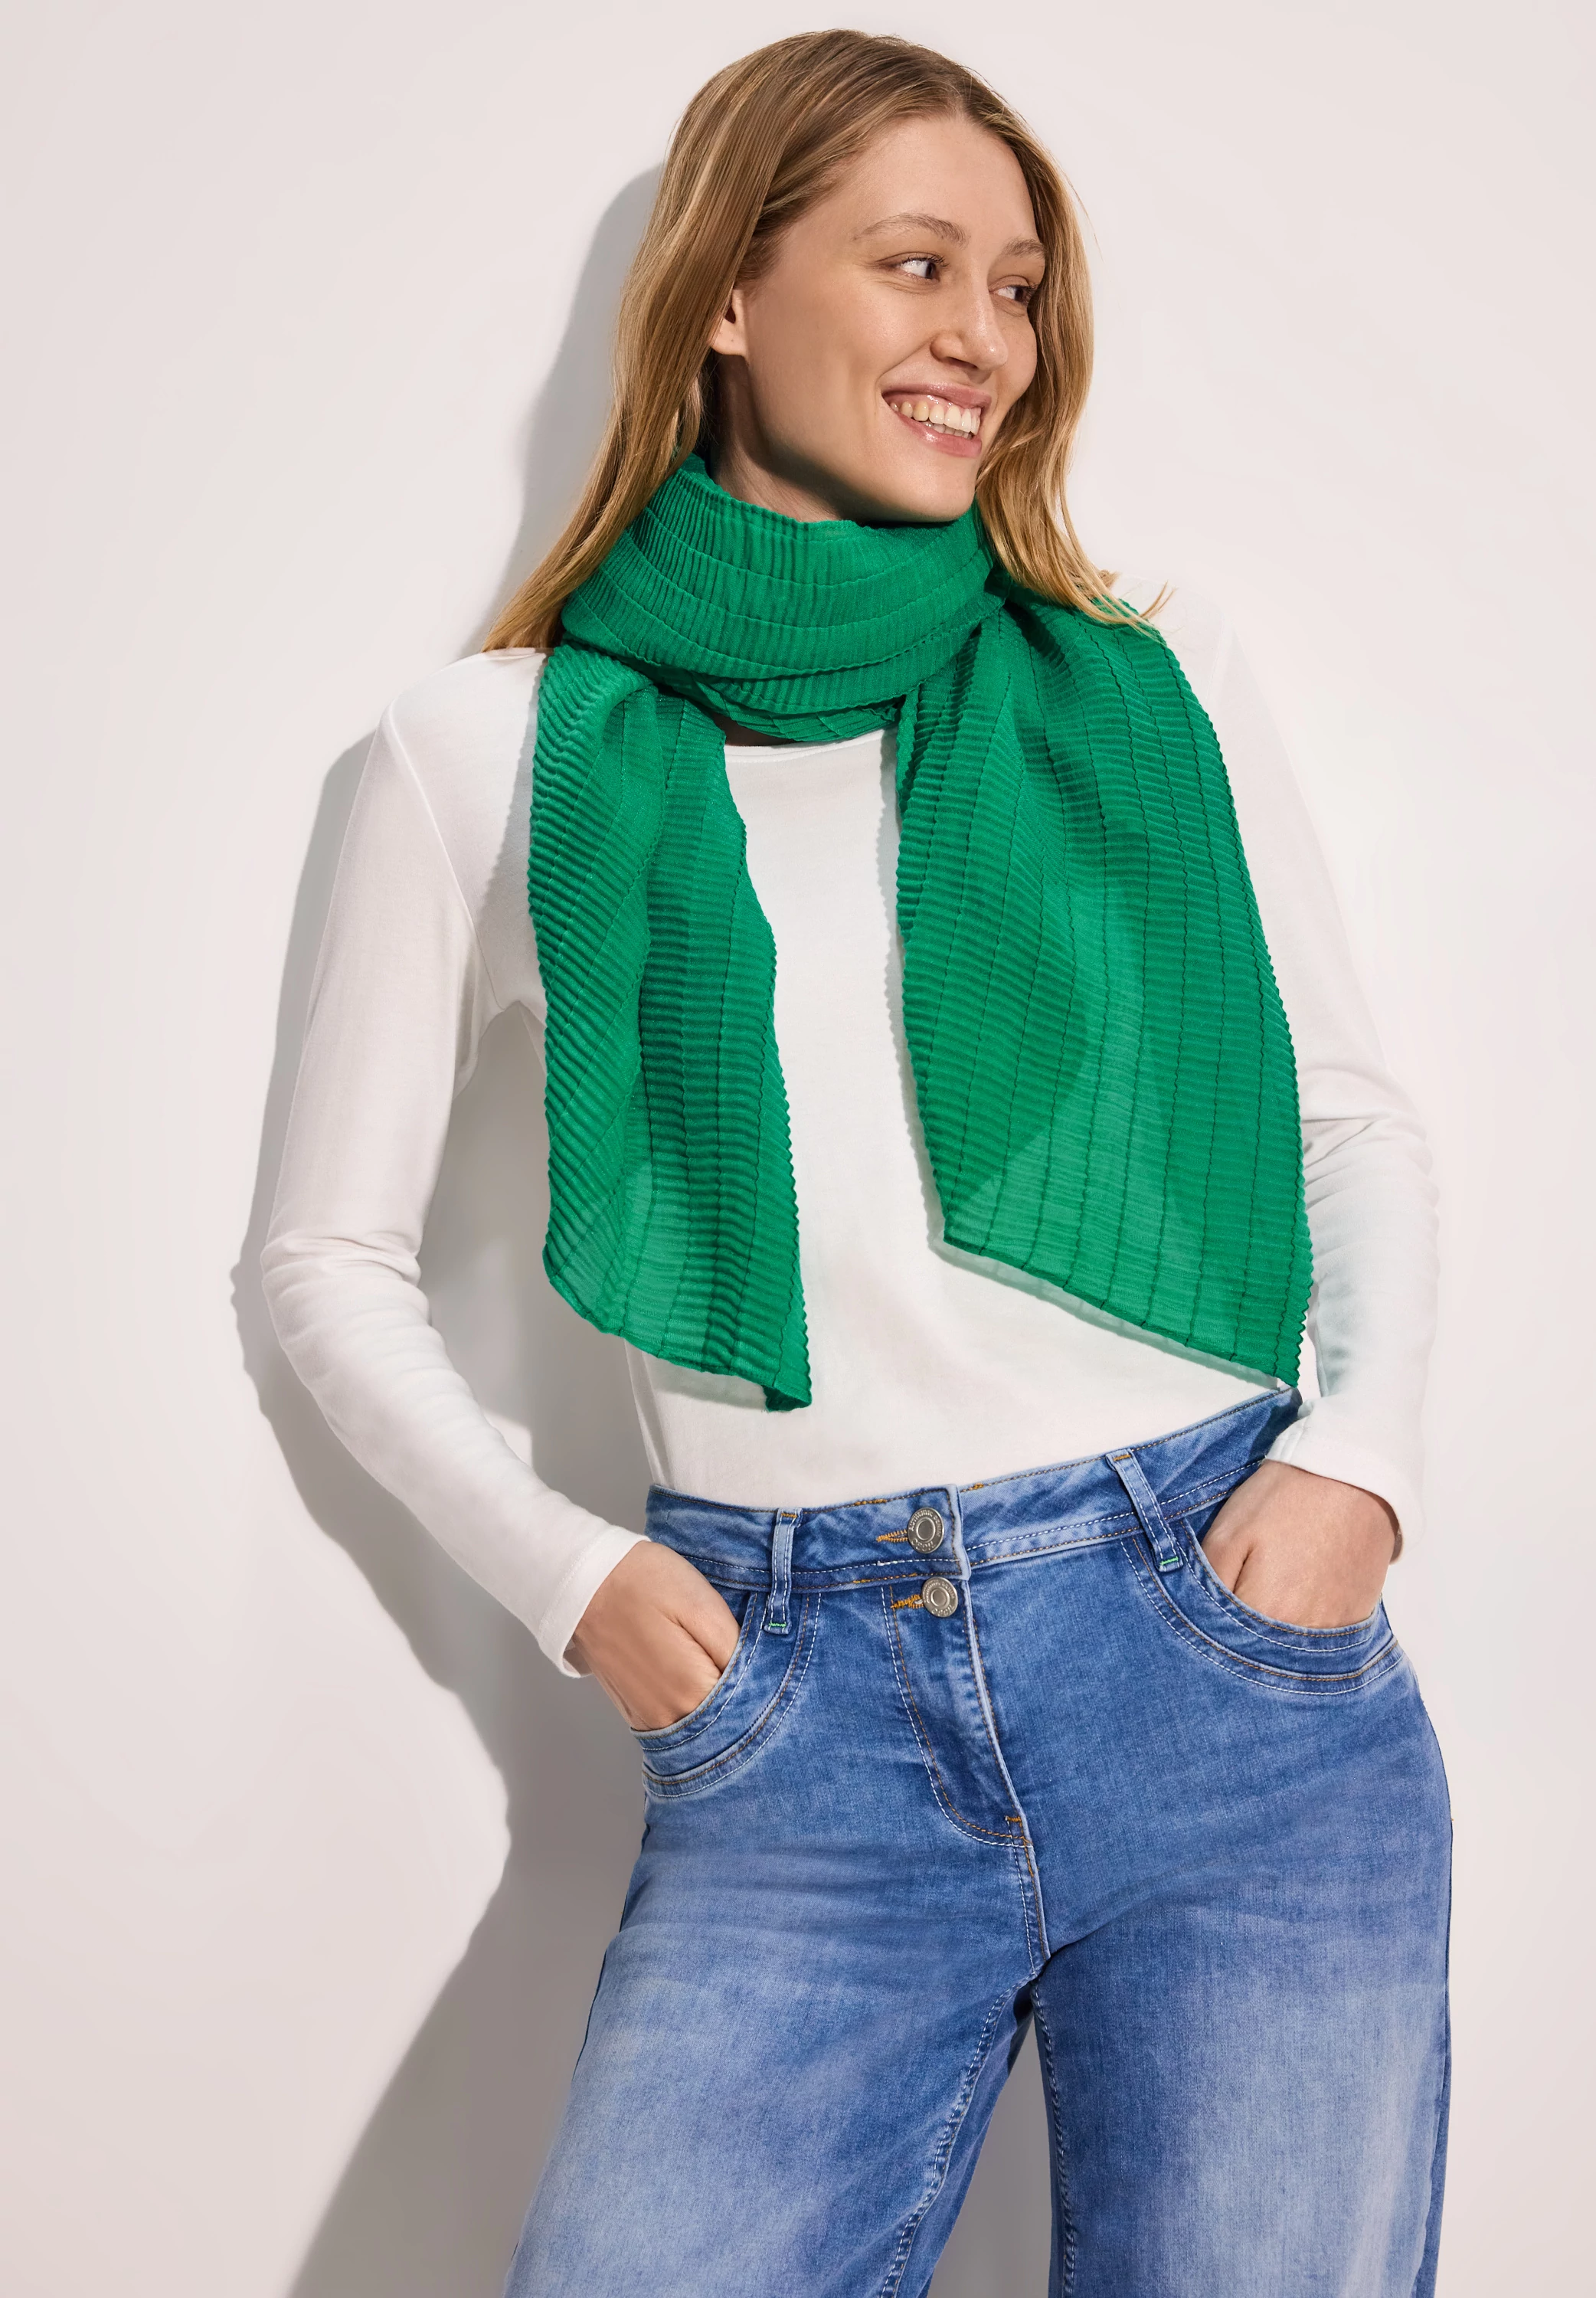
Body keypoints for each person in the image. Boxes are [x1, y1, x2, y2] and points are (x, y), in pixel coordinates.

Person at [263, 29, 1450, 2297]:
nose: (982, 338)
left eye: (1020, 290)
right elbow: (326, 1257)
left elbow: (1345, 1117)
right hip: (795, 1714)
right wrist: (569, 1579)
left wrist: (1358, 1474)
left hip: (1227, 1650)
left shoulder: (1145, 676)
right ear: (724, 290)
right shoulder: (487, 754)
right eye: (917, 265)